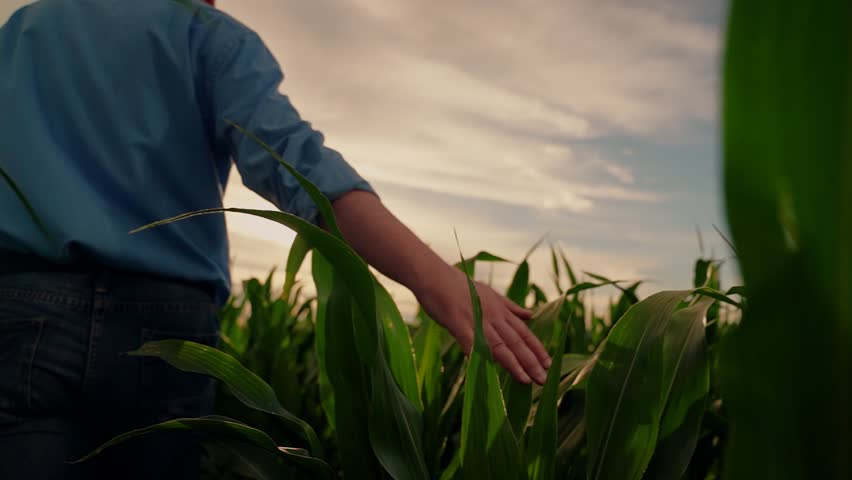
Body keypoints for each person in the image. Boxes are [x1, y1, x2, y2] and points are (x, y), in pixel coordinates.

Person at [0, 0, 552, 478]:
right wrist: (440, 281)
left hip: (25, 313)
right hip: (164, 322)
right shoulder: (211, 35)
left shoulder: (25, 29)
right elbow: (300, 168)